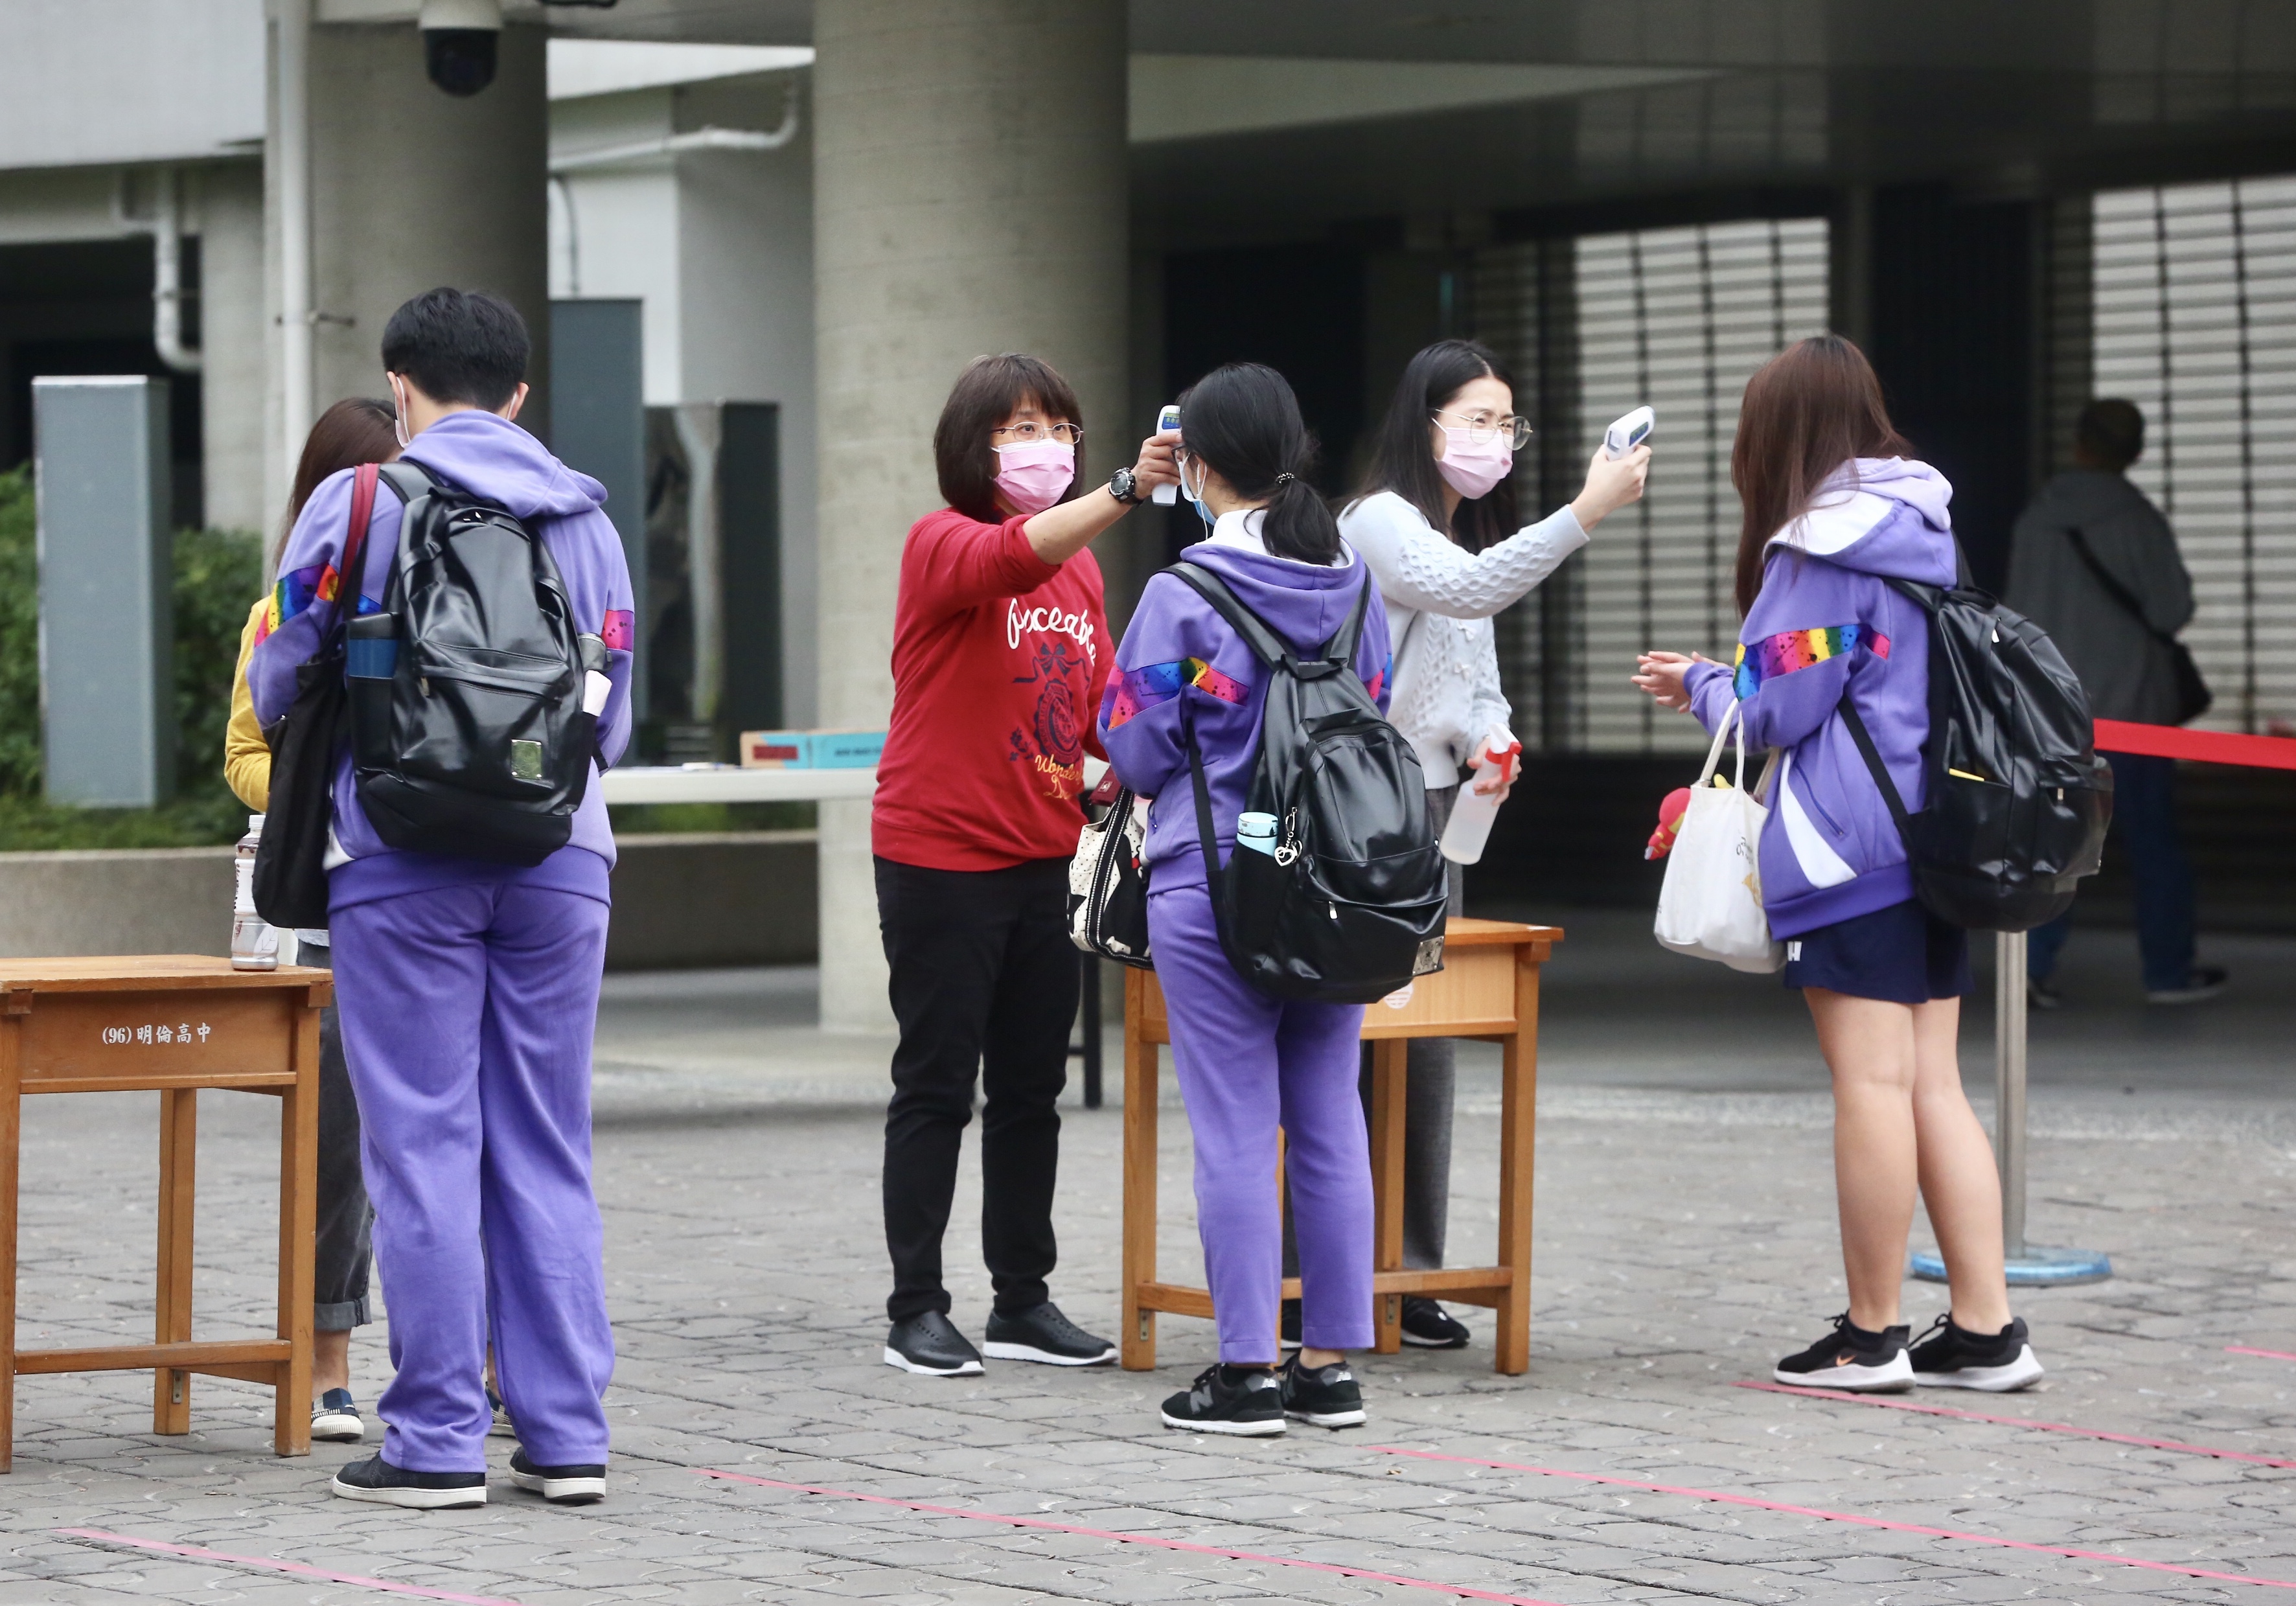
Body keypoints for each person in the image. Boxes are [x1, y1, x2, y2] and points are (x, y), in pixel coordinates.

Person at [250, 288, 635, 1508]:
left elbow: (277, 677)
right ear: (520, 395)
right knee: (545, 1134)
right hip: (559, 853)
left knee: (420, 1139)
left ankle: (431, 1440)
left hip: (398, 854)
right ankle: (566, 1431)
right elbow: (610, 710)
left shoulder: (359, 499)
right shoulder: (586, 518)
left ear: (400, 388)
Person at [1631, 334, 2043, 1394]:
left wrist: (1701, 686)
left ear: (1778, 435)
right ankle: (1987, 1329)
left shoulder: (1816, 549)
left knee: (1867, 1083)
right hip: (1935, 836)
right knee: (1932, 1083)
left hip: (1846, 845)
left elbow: (1775, 706)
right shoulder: (1922, 529)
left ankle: (1870, 1333)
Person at [1311, 338, 1649, 1351]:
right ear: (1425, 425)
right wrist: (1586, 509)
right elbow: (1471, 594)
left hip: (1437, 813)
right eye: (1478, 418)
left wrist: (1492, 732)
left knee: (1427, 1041)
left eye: (1508, 421)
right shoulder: (1377, 521)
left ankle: (1410, 1271)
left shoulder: (1454, 535)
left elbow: (1475, 661)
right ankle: (1336, 1268)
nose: (1496, 439)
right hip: (1364, 813)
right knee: (1354, 1041)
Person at [873, 353, 1178, 1377]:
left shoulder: (1082, 569)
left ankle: (1022, 1297)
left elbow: (1098, 702)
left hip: (1047, 857)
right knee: (935, 1080)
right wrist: (1127, 490)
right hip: (939, 854)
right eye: (1018, 429)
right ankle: (915, 1304)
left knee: (1031, 1090)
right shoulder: (942, 542)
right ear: (972, 447)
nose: (1045, 444)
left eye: (1058, 425)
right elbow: (1012, 559)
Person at [1101, 361, 1390, 1434]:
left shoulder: (1183, 595)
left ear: (1201, 465)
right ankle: (1327, 1364)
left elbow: (1132, 742)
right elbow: (1373, 706)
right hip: (1335, 881)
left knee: (1233, 1124)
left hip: (1213, 878)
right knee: (1326, 1114)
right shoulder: (1352, 583)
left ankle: (1242, 1371)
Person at [225, 396, 398, 1447]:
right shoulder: (280, 611)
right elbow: (243, 749)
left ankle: (485, 1361)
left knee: (456, 1142)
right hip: (329, 905)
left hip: (432, 892)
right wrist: (303, 786)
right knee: (338, 1150)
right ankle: (326, 1361)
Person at [2007, 398, 2224, 1007]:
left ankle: (2034, 966)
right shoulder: (2138, 520)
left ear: (2078, 441)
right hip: (2135, 714)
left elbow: (2014, 614)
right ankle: (2167, 972)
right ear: (2135, 450)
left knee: (2051, 845)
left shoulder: (2036, 519)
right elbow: (2172, 610)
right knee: (2154, 843)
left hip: (2055, 714)